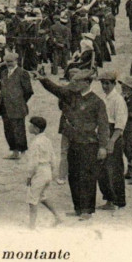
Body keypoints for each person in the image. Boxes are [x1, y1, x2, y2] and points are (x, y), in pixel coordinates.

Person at [37, 68, 109, 220]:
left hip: (89, 144)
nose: (73, 83)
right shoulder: (71, 96)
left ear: (87, 83)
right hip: (74, 142)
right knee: (74, 176)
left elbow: (103, 126)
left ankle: (87, 210)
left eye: (77, 81)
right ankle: (78, 207)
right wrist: (43, 79)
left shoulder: (97, 102)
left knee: (87, 177)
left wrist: (103, 146)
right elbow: (56, 90)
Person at [96, 71, 127, 211]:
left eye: (107, 83)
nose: (104, 86)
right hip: (103, 134)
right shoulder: (105, 98)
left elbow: (120, 126)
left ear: (114, 84)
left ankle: (118, 201)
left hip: (113, 135)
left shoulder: (118, 100)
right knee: (102, 170)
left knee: (114, 170)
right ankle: (108, 199)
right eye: (103, 83)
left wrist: (111, 142)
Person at [25, 116, 62, 229]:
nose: (29, 127)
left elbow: (33, 162)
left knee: (32, 199)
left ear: (36, 129)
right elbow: (53, 157)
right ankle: (58, 217)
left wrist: (29, 176)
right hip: (47, 172)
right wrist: (53, 172)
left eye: (31, 125)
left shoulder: (35, 143)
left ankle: (31, 226)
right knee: (42, 197)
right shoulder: (47, 140)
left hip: (39, 172)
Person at [0, 52, 33, 160]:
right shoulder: (3, 73)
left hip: (17, 106)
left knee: (19, 130)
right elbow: (2, 88)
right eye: (7, 62)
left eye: (11, 62)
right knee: (8, 130)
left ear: (16, 61)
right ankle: (14, 151)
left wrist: (19, 100)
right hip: (5, 106)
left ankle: (23, 152)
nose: (9, 64)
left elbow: (28, 91)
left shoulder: (23, 73)